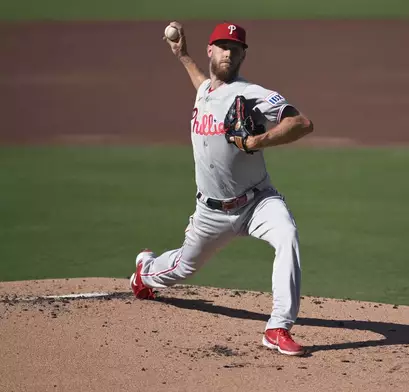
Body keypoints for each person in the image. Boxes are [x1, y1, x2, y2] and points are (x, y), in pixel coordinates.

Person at [129, 21, 314, 356]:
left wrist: (258, 139)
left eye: (236, 48)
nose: (229, 52)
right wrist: (183, 56)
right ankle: (146, 272)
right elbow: (203, 85)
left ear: (243, 55)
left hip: (258, 201)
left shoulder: (254, 94)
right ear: (210, 50)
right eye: (224, 46)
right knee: (183, 267)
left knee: (287, 233)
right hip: (211, 213)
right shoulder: (206, 91)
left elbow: (300, 123)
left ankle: (278, 327)